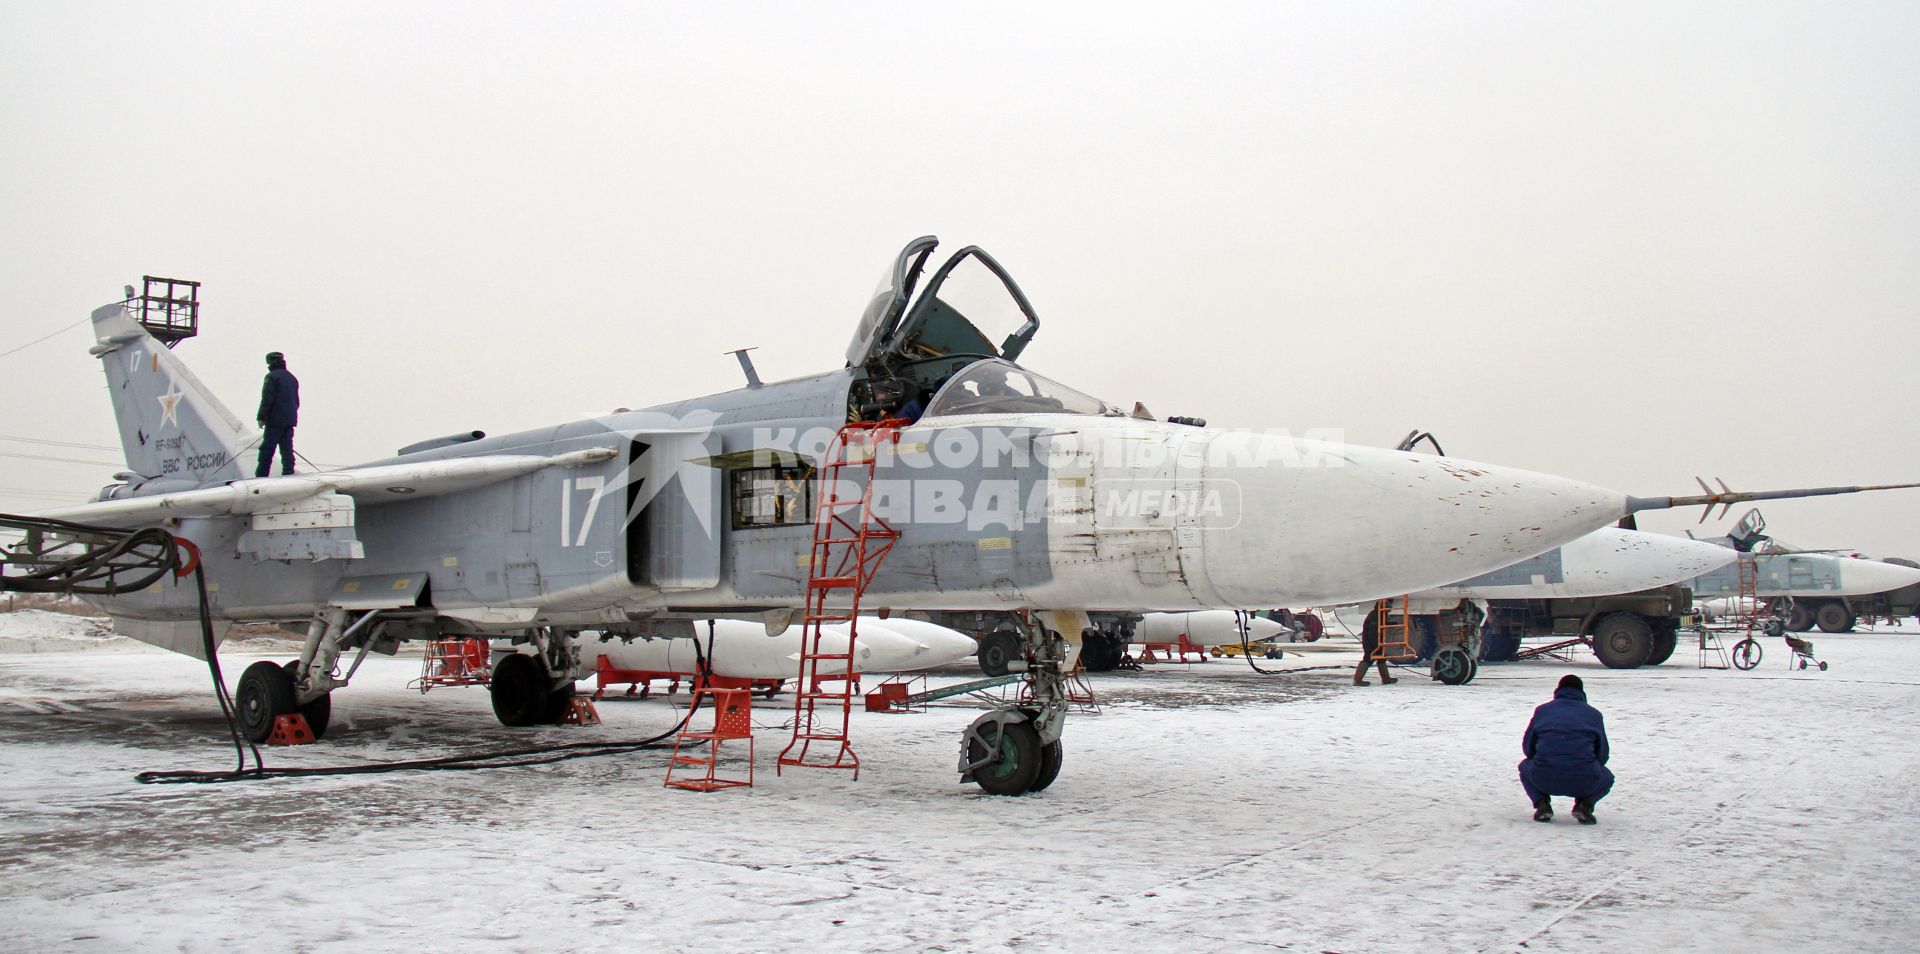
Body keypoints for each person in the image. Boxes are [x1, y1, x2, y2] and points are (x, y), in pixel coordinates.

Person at [1520, 674, 1613, 824]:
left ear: (1558, 690)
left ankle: (1542, 805)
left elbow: (1527, 749)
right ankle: (1584, 805)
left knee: (1524, 766)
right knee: (1607, 777)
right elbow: (1602, 756)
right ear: (1581, 692)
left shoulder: (1542, 711)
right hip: (1584, 780)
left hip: (1543, 777)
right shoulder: (1594, 715)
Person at [255, 351, 300, 478]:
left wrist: (261, 417)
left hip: (275, 421)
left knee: (267, 450)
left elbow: (267, 399)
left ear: (270, 362)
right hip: (289, 420)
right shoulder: (292, 378)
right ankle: (289, 474)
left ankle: (261, 477)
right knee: (286, 450)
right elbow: (296, 401)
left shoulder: (271, 377)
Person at [1352, 605, 1398, 686]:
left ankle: (1386, 679)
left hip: (1374, 642)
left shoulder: (1377, 614)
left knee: (1381, 659)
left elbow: (1380, 624)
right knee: (1368, 659)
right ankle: (1357, 680)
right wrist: (1376, 645)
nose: (1390, 609)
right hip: (1371, 643)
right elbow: (1373, 631)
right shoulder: (1375, 616)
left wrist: (1390, 624)